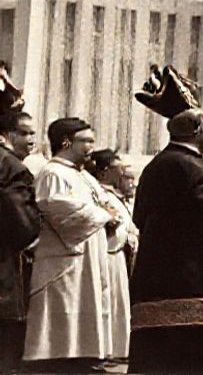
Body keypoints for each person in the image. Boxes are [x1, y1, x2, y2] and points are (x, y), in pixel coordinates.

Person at [128, 109, 203, 373]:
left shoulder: (154, 165)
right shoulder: (195, 168)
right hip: (187, 272)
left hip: (154, 269)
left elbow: (139, 217)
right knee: (187, 352)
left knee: (156, 352)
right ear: (195, 130)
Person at [22, 118, 120, 372]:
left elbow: (101, 207)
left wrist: (105, 215)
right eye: (85, 141)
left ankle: (84, 359)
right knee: (61, 323)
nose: (91, 147)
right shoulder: (53, 173)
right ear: (66, 142)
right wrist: (103, 215)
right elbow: (60, 210)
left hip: (88, 256)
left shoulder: (83, 175)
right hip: (65, 258)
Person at [88, 149, 138, 363]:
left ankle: (118, 348)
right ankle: (105, 350)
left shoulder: (113, 196)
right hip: (107, 253)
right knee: (107, 303)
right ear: (105, 171)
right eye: (119, 168)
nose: (122, 172)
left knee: (119, 303)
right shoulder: (100, 194)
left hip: (118, 254)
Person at [0, 111, 39, 373]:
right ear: (6, 135)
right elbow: (22, 225)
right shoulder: (12, 167)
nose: (31, 140)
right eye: (24, 133)